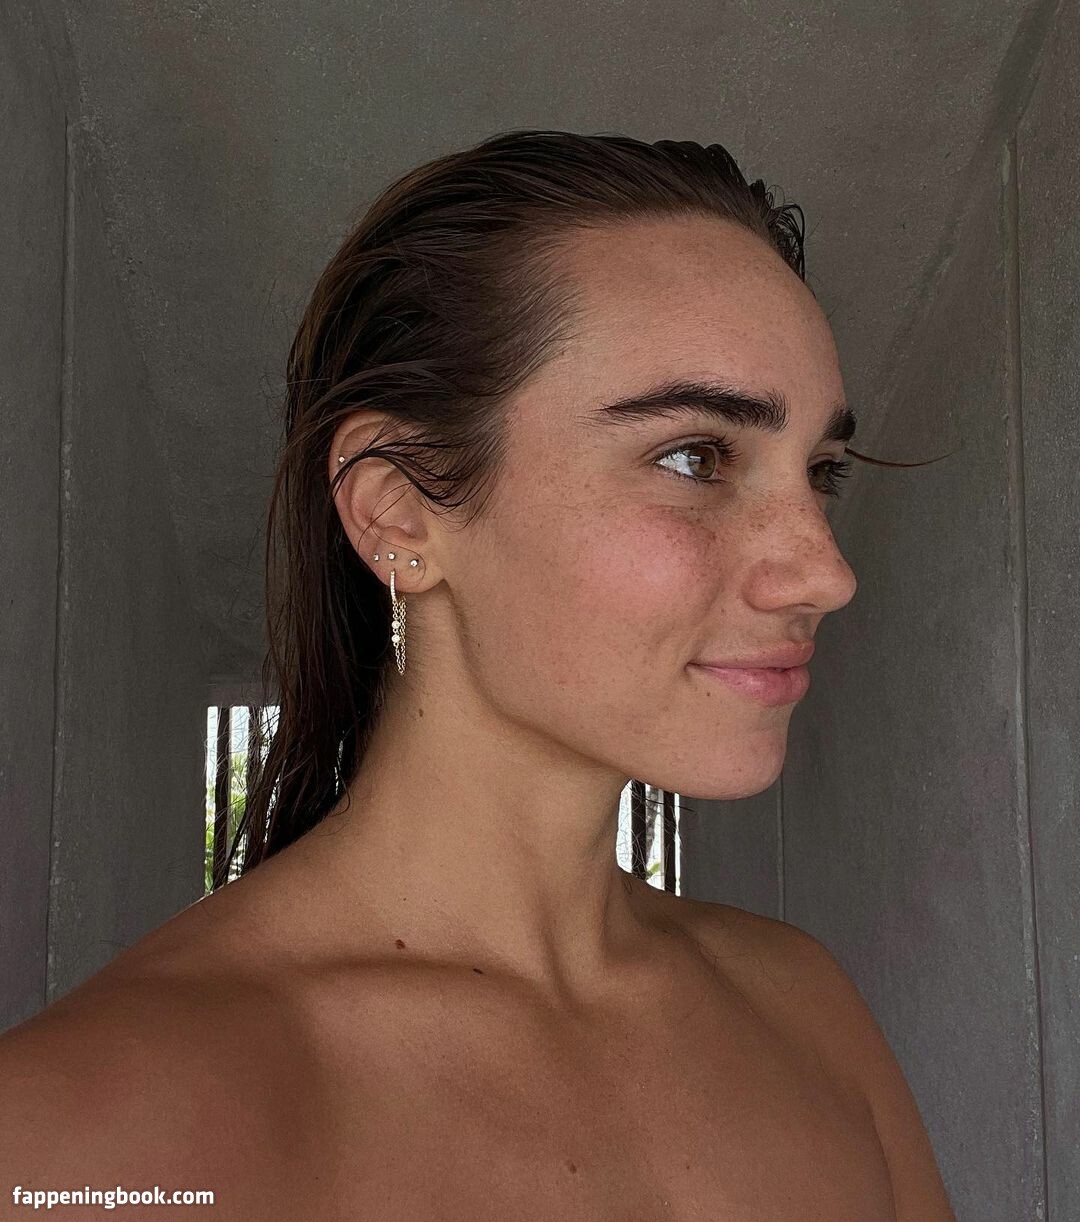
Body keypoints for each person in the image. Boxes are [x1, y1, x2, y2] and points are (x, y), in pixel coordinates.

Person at [0, 129, 955, 1220]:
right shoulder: (84, 1134)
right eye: (695, 457)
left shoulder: (810, 1016)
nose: (826, 573)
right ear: (398, 509)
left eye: (820, 471)